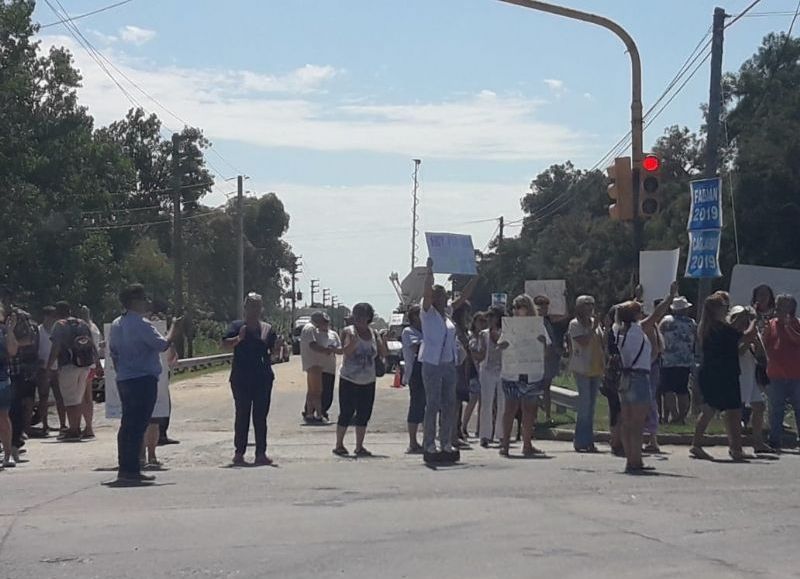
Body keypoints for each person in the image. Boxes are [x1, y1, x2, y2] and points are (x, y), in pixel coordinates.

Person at [109, 284, 181, 483]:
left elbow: (113, 352)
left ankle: (126, 466)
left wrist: (122, 371)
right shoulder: (142, 324)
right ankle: (132, 469)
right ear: (134, 302)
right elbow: (162, 344)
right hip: (142, 379)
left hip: (124, 378)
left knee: (127, 425)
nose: (147, 303)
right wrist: (174, 326)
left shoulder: (117, 324)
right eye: (143, 299)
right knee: (138, 425)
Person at [616, 282, 677, 473]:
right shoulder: (639, 328)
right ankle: (637, 460)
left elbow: (625, 311)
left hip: (624, 378)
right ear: (635, 316)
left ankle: (630, 459)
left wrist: (636, 297)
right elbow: (658, 314)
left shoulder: (618, 330)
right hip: (640, 378)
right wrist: (670, 297)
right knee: (638, 423)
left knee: (627, 422)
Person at [690, 293, 757, 462]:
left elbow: (733, 333)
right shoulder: (719, 328)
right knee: (711, 409)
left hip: (720, 372)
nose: (726, 309)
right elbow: (745, 335)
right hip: (721, 374)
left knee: (733, 411)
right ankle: (697, 444)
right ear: (715, 310)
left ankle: (735, 448)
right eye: (723, 307)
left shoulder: (708, 327)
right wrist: (754, 319)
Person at [222, 292, 277, 466]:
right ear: (245, 308)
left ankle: (261, 453)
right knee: (242, 414)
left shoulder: (268, 328)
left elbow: (274, 353)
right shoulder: (237, 326)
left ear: (262, 308)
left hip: (263, 378)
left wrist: (278, 347)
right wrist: (239, 339)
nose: (254, 310)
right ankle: (239, 453)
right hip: (241, 377)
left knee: (260, 417)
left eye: (257, 306)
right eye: (251, 306)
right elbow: (224, 344)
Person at [419, 258, 460, 458]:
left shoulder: (448, 315)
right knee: (433, 403)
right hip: (432, 363)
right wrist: (429, 272)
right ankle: (429, 443)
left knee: (449, 403)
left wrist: (475, 277)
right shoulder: (427, 313)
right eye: (439, 296)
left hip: (449, 363)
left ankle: (446, 442)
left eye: (444, 295)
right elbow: (426, 292)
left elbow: (462, 299)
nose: (443, 299)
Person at [333, 302, 386, 457]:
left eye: (363, 315)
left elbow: (382, 353)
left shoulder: (374, 333)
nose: (360, 319)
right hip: (349, 378)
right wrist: (353, 342)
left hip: (368, 380)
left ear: (369, 317)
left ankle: (359, 446)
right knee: (346, 412)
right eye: (357, 315)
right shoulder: (348, 331)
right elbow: (345, 352)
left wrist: (384, 341)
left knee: (364, 414)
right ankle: (339, 444)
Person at [499, 294, 548, 458]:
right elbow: (501, 345)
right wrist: (503, 345)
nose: (517, 310)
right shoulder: (509, 326)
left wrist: (541, 342)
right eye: (515, 307)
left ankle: (527, 444)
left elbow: (546, 348)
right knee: (510, 409)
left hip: (531, 372)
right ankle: (505, 444)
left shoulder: (538, 325)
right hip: (512, 373)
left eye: (520, 306)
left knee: (529, 410)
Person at [47, 301, 102, 442]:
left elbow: (56, 347)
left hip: (68, 365)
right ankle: (76, 427)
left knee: (70, 400)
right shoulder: (82, 324)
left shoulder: (59, 325)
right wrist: (97, 364)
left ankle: (73, 429)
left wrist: (49, 366)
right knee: (78, 398)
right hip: (84, 365)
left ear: (57, 312)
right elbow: (92, 344)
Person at [728, 306, 774, 454]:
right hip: (738, 375)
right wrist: (748, 340)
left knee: (759, 406)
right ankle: (735, 445)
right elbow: (739, 352)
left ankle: (758, 442)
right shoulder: (731, 334)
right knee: (735, 412)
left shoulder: (752, 333)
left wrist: (757, 341)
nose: (744, 321)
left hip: (750, 375)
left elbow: (762, 357)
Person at [762, 294, 800, 451]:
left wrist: (787, 326)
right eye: (777, 304)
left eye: (782, 305)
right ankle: (775, 439)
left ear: (791, 307)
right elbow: (765, 343)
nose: (778, 308)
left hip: (796, 374)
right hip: (776, 373)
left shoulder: (798, 323)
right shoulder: (771, 324)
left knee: (799, 408)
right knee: (775, 409)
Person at [568, 295, 604, 453]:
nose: (590, 307)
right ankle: (580, 440)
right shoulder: (575, 324)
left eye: (592, 304)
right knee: (584, 405)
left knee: (592, 406)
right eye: (586, 305)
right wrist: (593, 327)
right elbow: (583, 342)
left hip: (596, 367)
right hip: (582, 368)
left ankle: (589, 440)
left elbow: (601, 342)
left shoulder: (595, 324)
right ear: (579, 307)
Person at [658, 296, 696, 425]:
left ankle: (674, 414)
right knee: (682, 390)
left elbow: (659, 334)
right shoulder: (691, 323)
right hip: (685, 360)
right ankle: (681, 417)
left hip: (668, 360)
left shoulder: (666, 321)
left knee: (668, 389)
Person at [534, 296, 569, 425]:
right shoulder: (531, 321)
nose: (544, 309)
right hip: (536, 358)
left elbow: (565, 316)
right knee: (536, 388)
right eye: (541, 306)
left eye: (545, 306)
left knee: (546, 387)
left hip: (550, 357)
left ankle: (548, 415)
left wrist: (563, 297)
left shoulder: (549, 320)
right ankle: (535, 416)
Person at [300, 312, 339, 424]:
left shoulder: (309, 328)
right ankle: (319, 415)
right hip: (314, 363)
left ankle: (309, 413)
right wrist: (325, 350)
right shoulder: (310, 328)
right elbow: (312, 345)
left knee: (311, 391)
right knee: (317, 392)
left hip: (311, 363)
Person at [476, 306, 506, 448]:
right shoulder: (483, 334)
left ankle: (501, 435)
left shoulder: (506, 332)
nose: (489, 320)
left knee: (502, 404)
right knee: (486, 403)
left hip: (503, 370)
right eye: (488, 317)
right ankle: (485, 435)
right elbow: (481, 352)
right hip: (487, 370)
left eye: (491, 317)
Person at [34, 306, 64, 435]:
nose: (54, 319)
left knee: (60, 397)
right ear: (45, 316)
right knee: (43, 397)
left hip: (57, 368)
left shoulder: (58, 330)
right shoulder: (38, 331)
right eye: (52, 316)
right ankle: (45, 424)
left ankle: (63, 424)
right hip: (43, 368)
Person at [401, 305, 425, 453]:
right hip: (415, 373)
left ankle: (427, 438)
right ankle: (412, 441)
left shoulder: (426, 331)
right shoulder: (408, 331)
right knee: (416, 406)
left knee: (428, 407)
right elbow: (417, 348)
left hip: (429, 371)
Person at [601, 305, 623, 456]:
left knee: (615, 408)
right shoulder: (617, 332)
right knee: (618, 408)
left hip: (610, 373)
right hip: (617, 373)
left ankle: (616, 439)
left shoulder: (609, 331)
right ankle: (617, 440)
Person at [78, 305, 103, 440]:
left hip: (86, 364)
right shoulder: (95, 328)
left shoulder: (84, 328)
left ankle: (88, 426)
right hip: (92, 364)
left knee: (84, 396)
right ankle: (88, 425)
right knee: (88, 396)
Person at [452, 302, 474, 450]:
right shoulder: (454, 328)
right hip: (456, 368)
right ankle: (453, 433)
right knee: (454, 402)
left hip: (464, 368)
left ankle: (457, 431)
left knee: (459, 402)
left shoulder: (463, 329)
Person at [462, 311, 487, 440]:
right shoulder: (472, 337)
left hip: (486, 372)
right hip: (474, 372)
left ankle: (480, 429)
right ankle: (463, 426)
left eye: (484, 321)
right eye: (479, 321)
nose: (482, 323)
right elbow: (472, 354)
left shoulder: (488, 336)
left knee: (484, 403)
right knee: (472, 401)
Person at [0, 305, 20, 469]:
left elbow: (13, 351)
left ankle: (8, 454)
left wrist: (10, 331)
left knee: (3, 418)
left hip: (1, 380)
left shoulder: (3, 332)